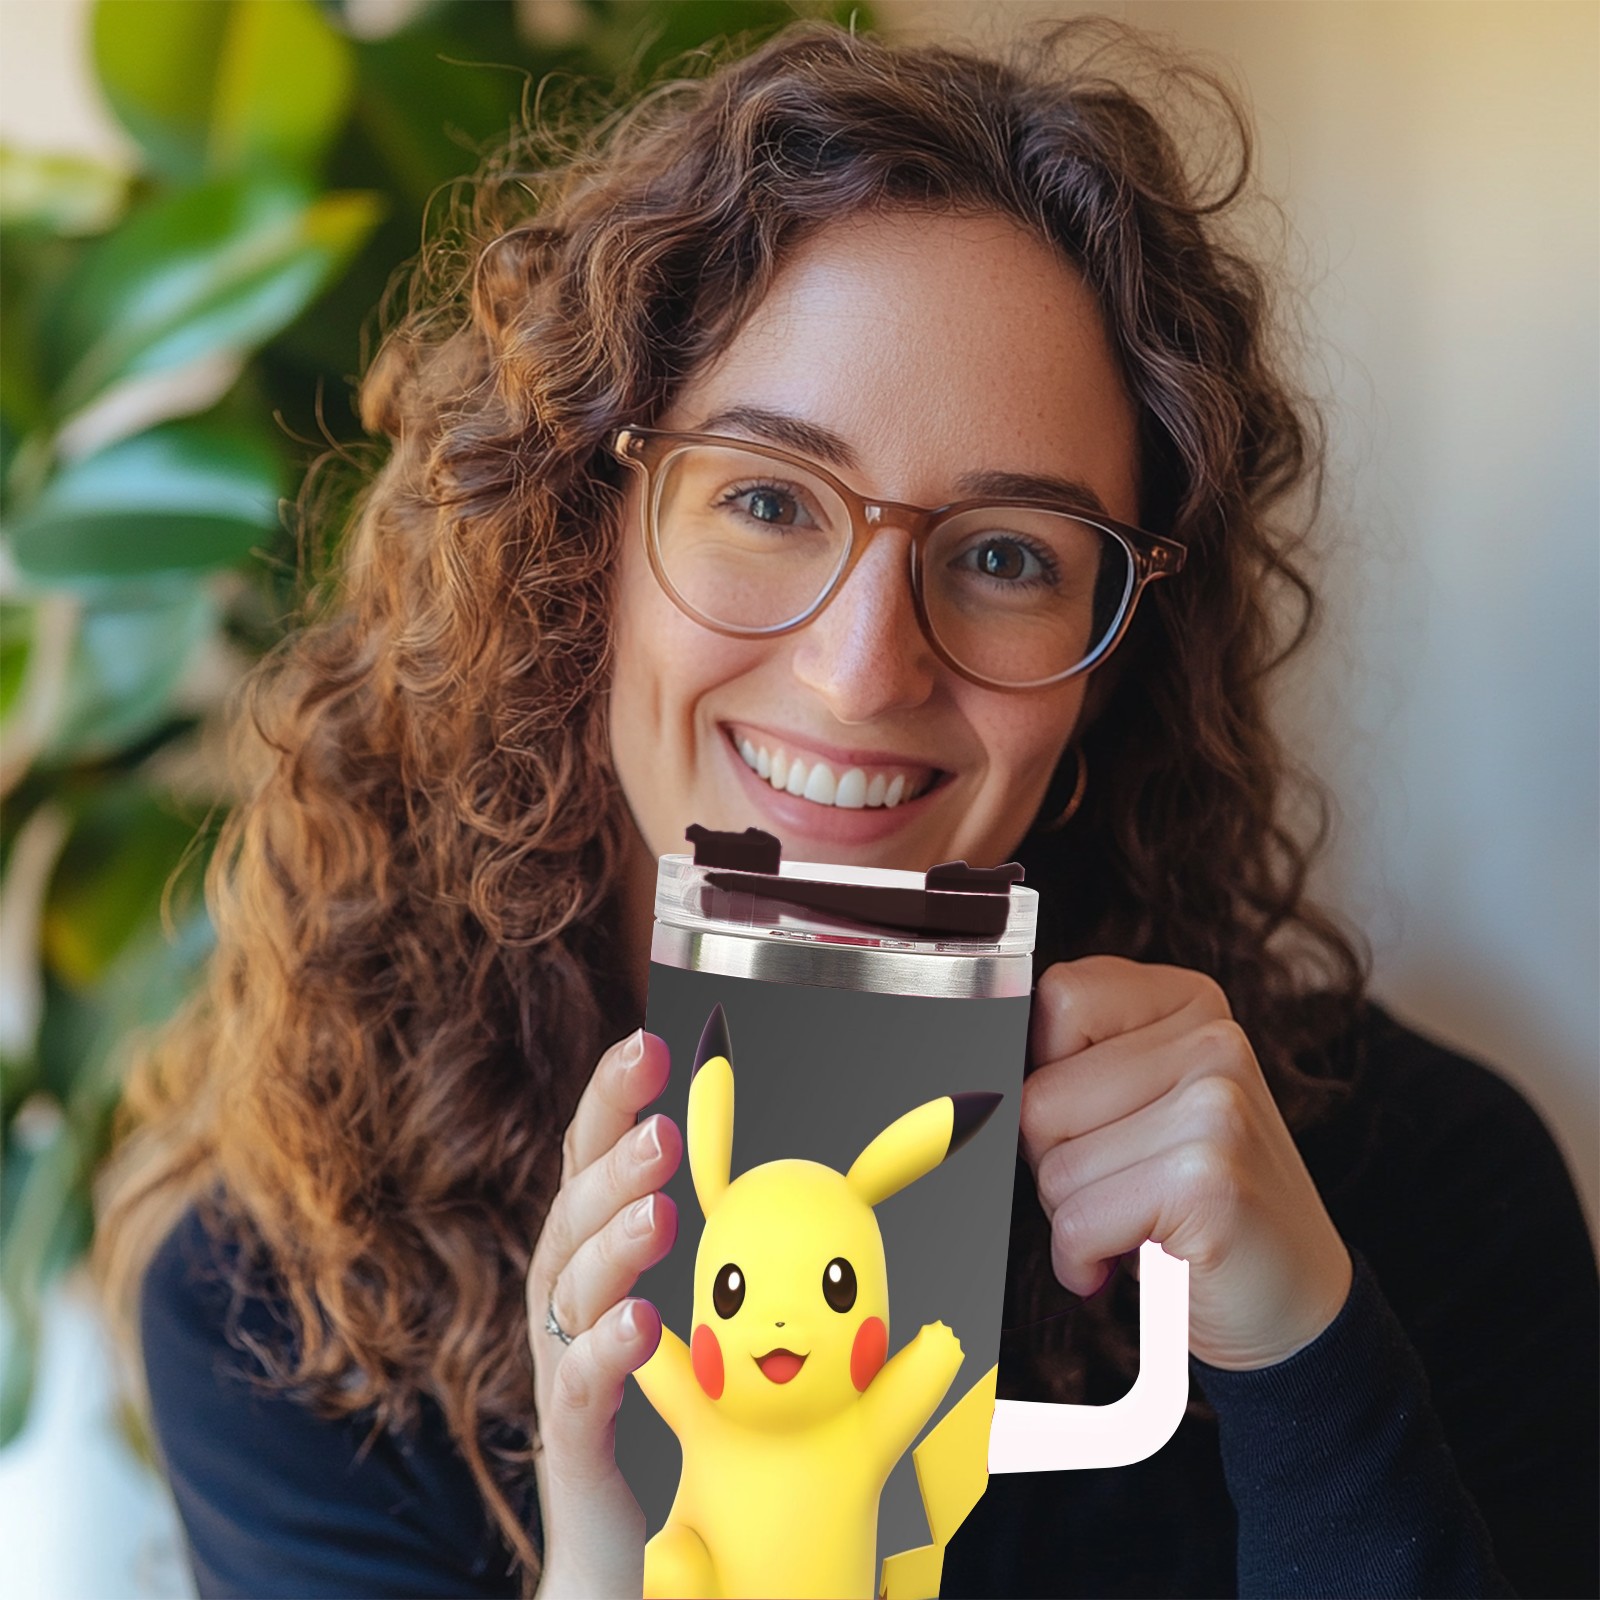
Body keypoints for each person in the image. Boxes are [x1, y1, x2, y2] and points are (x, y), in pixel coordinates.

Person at [94, 16, 1597, 1600]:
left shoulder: (1420, 1193)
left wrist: (1305, 1368)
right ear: (580, 545)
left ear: (1113, 663)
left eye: (1007, 554)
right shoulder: (293, 1301)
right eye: (765, 499)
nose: (864, 670)